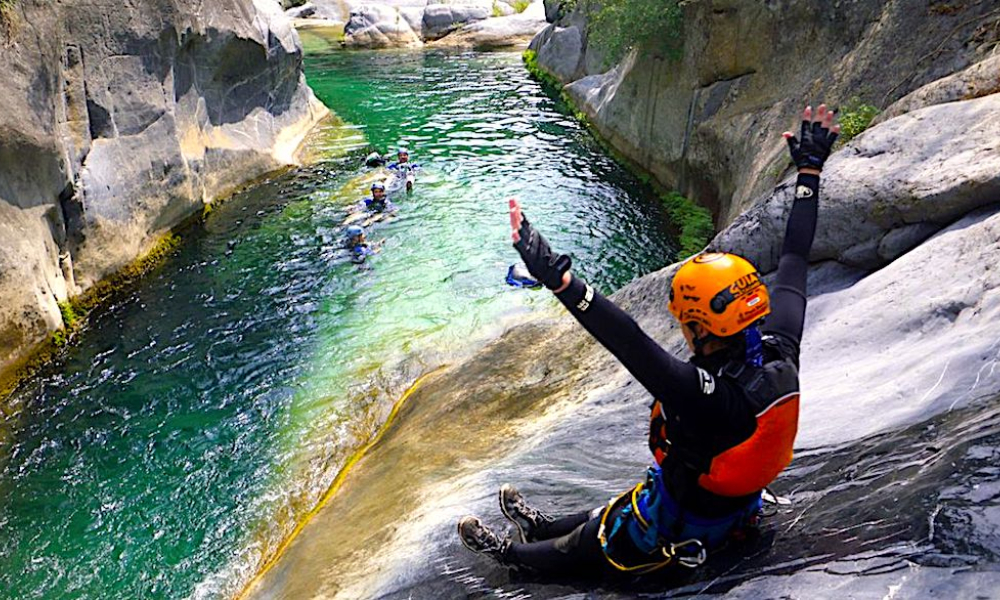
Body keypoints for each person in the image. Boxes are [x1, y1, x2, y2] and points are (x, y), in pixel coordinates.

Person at [457, 104, 840, 577]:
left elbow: (632, 343)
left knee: (588, 542)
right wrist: (809, 171)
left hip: (679, 527)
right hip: (725, 508)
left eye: (685, 321)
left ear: (701, 326)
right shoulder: (781, 350)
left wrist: (562, 283)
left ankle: (511, 557)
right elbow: (795, 260)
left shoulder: (711, 399)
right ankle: (539, 525)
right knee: (615, 505)